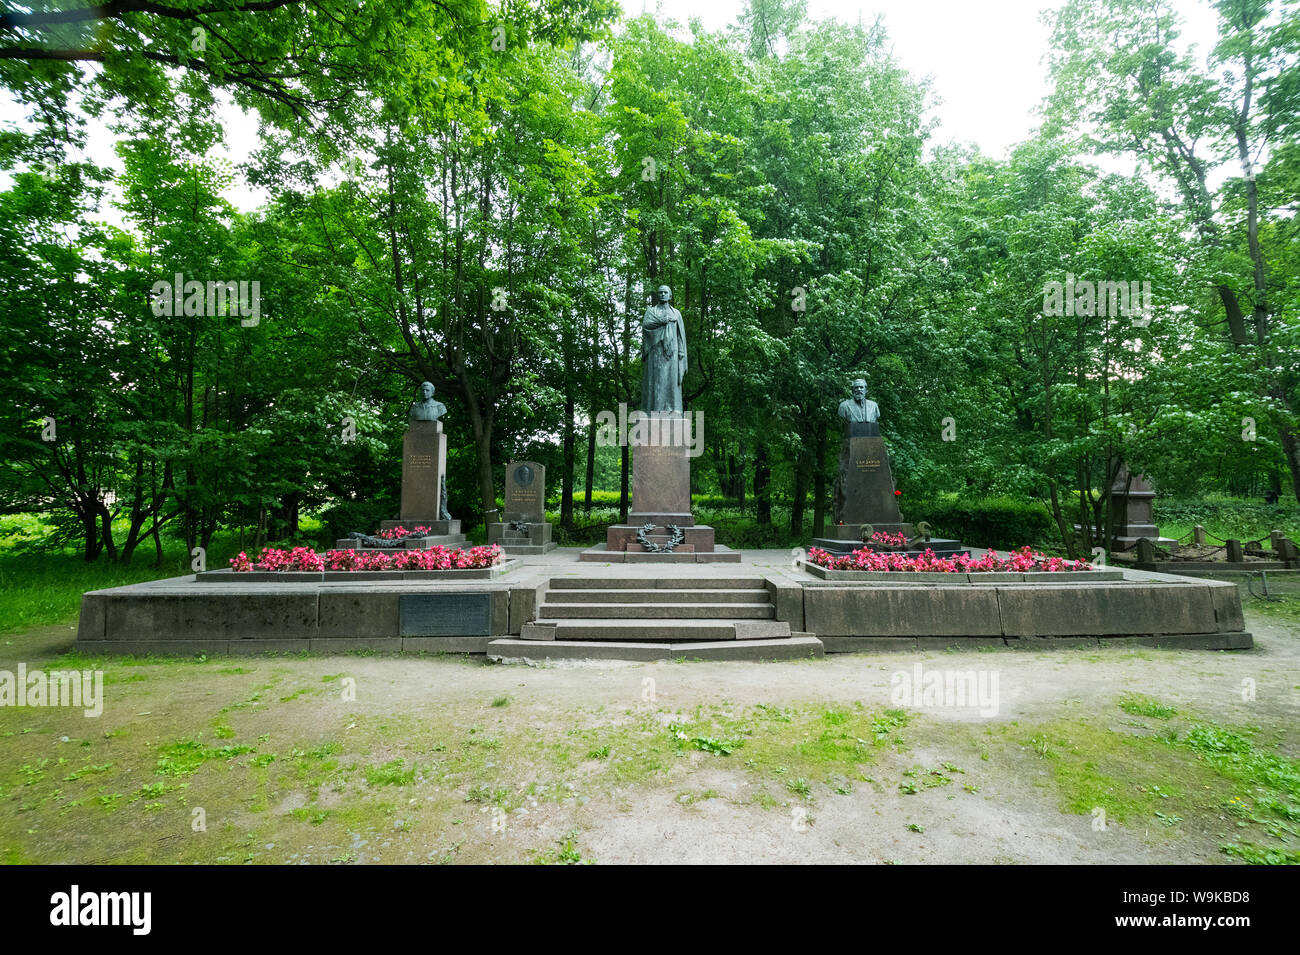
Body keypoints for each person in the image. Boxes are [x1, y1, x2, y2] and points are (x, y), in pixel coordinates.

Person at [640, 285, 687, 413]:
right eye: (660, 292)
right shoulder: (651, 312)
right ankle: (655, 409)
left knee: (672, 382)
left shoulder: (676, 313)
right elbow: (646, 326)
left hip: (673, 351)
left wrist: (681, 352)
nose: (662, 294)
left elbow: (680, 335)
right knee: (656, 381)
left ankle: (673, 409)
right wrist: (662, 321)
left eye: (665, 292)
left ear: (670, 295)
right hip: (656, 351)